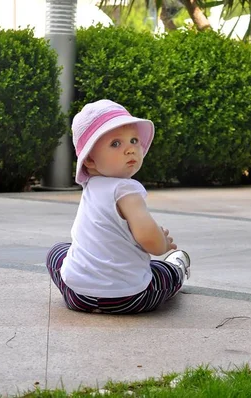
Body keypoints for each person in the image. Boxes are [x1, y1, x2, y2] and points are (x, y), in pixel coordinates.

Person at [46, 99, 191, 314]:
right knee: (161, 274)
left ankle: (83, 282)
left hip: (78, 295)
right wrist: (161, 243)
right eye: (116, 144)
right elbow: (149, 239)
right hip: (127, 297)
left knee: (57, 252)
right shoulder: (127, 190)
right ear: (90, 160)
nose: (130, 150)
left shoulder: (91, 186)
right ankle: (178, 268)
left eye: (133, 140)